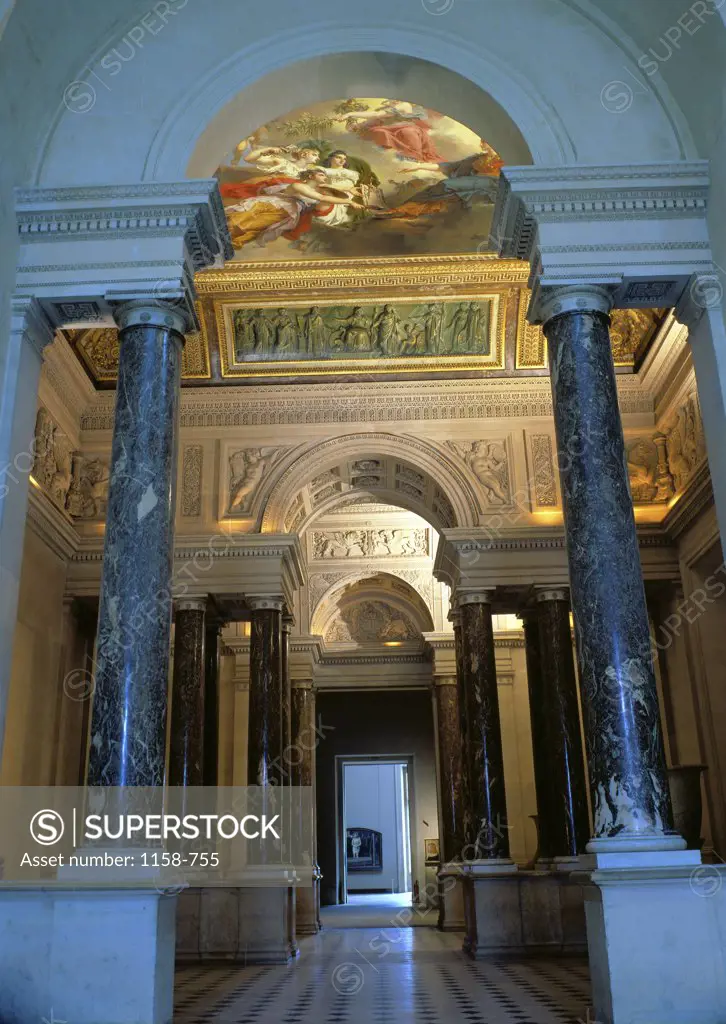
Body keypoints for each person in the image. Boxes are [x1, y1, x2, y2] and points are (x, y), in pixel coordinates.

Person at [220, 169, 364, 250]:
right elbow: (321, 197)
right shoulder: (298, 186)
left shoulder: (317, 190)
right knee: (239, 222)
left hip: (286, 214)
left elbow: (325, 193)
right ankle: (219, 235)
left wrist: (349, 190)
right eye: (321, 174)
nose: (324, 178)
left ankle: (224, 243)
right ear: (310, 175)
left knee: (252, 229)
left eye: (325, 176)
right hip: (272, 205)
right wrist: (348, 201)